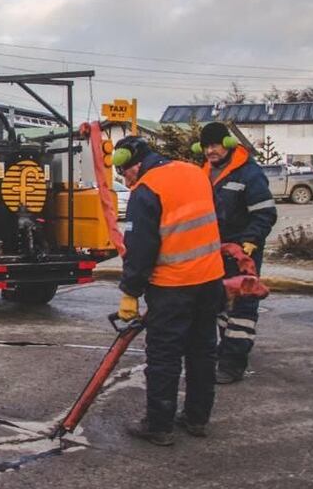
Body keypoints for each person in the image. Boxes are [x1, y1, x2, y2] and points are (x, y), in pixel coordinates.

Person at [113, 136, 226, 446]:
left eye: (124, 173)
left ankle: (159, 425)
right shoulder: (194, 172)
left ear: (133, 163)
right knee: (202, 352)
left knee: (164, 356)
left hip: (173, 285)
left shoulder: (146, 190)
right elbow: (220, 218)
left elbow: (140, 248)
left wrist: (130, 291)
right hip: (210, 280)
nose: (125, 179)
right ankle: (197, 419)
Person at [196, 122, 277, 384]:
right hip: (215, 253)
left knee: (242, 307)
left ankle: (233, 363)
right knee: (220, 304)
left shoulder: (249, 173)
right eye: (206, 146)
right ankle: (226, 350)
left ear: (228, 144)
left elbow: (265, 212)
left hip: (243, 253)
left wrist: (251, 241)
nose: (210, 151)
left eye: (215, 145)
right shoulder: (206, 172)